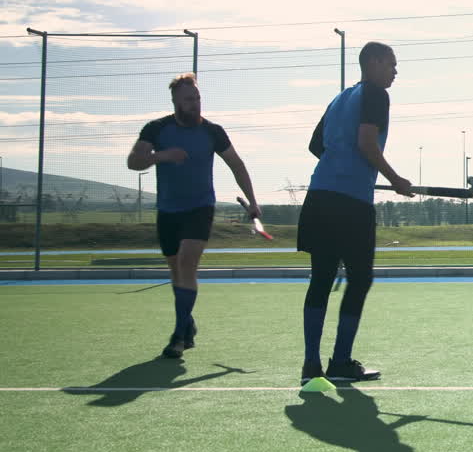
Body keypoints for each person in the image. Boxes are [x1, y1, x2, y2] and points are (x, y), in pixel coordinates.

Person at [296, 41, 413, 386]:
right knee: (360, 279)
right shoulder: (377, 95)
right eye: (391, 64)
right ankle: (341, 362)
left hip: (319, 197)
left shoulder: (339, 99)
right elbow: (366, 143)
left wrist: (340, 165)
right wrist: (395, 180)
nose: (395, 71)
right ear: (373, 62)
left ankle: (311, 365)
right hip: (350, 203)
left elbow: (316, 146)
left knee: (321, 279)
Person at [127, 73, 263, 360]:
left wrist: (252, 201)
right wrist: (161, 156)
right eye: (189, 99)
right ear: (175, 101)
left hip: (200, 207)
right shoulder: (156, 129)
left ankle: (178, 336)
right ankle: (187, 324)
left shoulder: (213, 132)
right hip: (168, 210)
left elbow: (236, 164)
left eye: (198, 98)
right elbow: (133, 161)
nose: (195, 103)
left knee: (187, 262)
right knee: (176, 270)